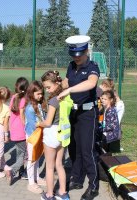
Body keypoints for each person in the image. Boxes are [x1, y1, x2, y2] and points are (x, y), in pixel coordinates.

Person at [57, 35, 100, 200]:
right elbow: (67, 82)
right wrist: (58, 83)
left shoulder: (92, 66)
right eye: (73, 55)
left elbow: (91, 83)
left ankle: (93, 186)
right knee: (74, 148)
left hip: (88, 114)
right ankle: (77, 179)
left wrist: (69, 90)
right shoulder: (71, 65)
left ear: (86, 51)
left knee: (87, 150)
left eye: (79, 54)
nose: (76, 58)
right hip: (73, 113)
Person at [38, 70, 70, 200]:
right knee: (59, 165)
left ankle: (49, 194)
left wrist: (38, 123)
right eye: (45, 88)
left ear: (57, 83)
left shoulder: (53, 102)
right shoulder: (65, 97)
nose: (47, 90)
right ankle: (63, 193)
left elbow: (48, 122)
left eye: (48, 87)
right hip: (62, 134)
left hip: (51, 134)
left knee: (49, 167)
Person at [24, 80, 47, 194]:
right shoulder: (29, 108)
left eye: (41, 93)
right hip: (33, 136)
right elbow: (34, 125)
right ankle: (31, 183)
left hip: (39, 134)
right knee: (32, 159)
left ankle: (37, 177)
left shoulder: (39, 104)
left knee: (37, 157)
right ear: (31, 93)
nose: (40, 95)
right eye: (38, 94)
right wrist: (45, 124)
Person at [6, 77, 29, 185]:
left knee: (19, 152)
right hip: (21, 130)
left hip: (14, 129)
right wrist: (27, 128)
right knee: (24, 154)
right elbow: (22, 116)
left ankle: (22, 172)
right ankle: (12, 170)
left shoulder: (14, 97)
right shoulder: (24, 99)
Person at [99, 79, 125, 152]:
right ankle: (112, 146)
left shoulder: (111, 94)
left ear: (105, 86)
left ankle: (113, 145)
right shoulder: (108, 93)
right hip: (113, 107)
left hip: (117, 107)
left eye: (102, 86)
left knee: (114, 125)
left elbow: (113, 124)